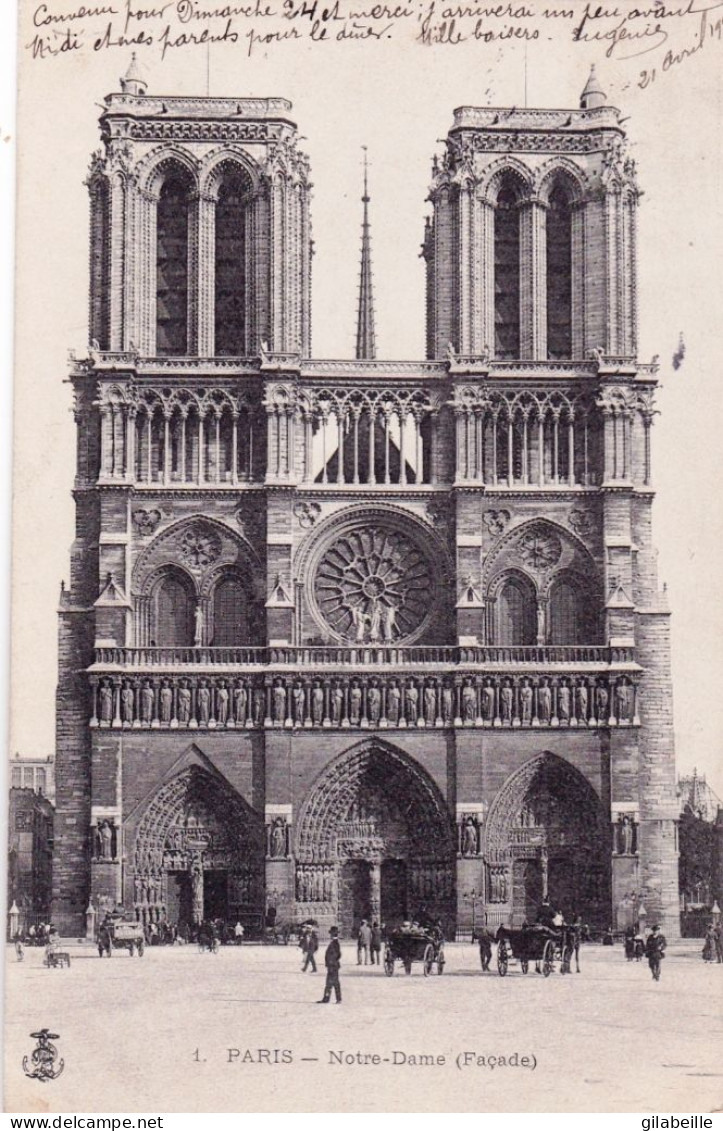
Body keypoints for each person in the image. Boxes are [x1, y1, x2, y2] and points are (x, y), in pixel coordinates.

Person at [318, 926, 342, 1003]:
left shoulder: (334, 943)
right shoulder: (335, 943)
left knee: (331, 982)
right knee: (333, 982)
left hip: (332, 966)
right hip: (334, 965)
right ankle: (335, 998)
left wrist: (331, 963)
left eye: (331, 933)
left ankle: (328, 998)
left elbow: (335, 955)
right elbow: (339, 954)